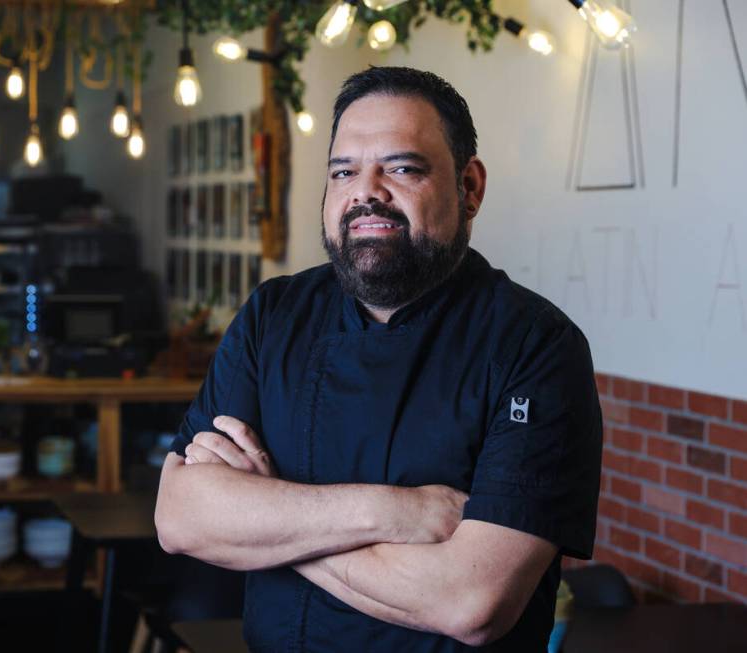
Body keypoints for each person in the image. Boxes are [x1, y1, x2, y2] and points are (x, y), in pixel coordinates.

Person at [154, 66, 603, 652]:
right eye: (344, 171)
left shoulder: (535, 345)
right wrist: (396, 512)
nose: (366, 191)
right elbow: (180, 517)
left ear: (469, 187)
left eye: (401, 168)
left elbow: (472, 604)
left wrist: (270, 516)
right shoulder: (274, 314)